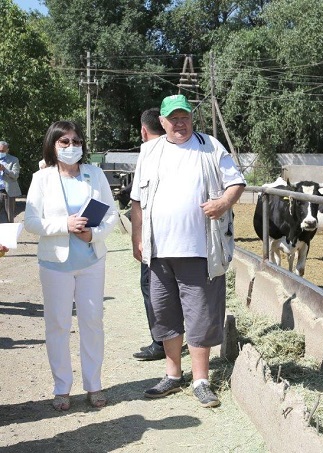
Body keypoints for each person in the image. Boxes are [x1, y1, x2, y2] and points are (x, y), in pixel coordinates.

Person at [130, 94, 245, 407]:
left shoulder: (209, 147)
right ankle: (172, 373)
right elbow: (137, 201)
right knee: (164, 310)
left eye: (184, 117)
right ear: (163, 122)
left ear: (192, 119)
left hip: (200, 249)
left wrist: (223, 202)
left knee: (200, 315)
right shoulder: (149, 151)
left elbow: (236, 182)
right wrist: (136, 238)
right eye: (173, 118)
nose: (179, 123)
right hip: (159, 250)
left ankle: (201, 379)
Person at [24, 121, 118, 411]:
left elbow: (112, 214)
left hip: (92, 260)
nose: (70, 147)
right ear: (52, 145)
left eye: (76, 141)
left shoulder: (95, 174)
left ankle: (94, 384)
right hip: (55, 264)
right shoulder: (42, 179)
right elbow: (31, 222)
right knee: (58, 325)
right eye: (64, 142)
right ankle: (61, 387)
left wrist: (94, 234)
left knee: (92, 322)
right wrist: (64, 225)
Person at [132, 108, 167, 361]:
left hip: (155, 236)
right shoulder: (183, 149)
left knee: (151, 286)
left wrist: (137, 240)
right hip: (181, 237)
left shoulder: (147, 151)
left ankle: (160, 341)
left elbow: (137, 200)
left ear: (144, 131)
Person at [0, 141, 22, 223]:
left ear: (7, 150)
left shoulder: (13, 160)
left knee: (9, 217)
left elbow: (15, 175)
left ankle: (9, 235)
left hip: (8, 192)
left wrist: (4, 169)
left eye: (2, 151)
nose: (0, 152)